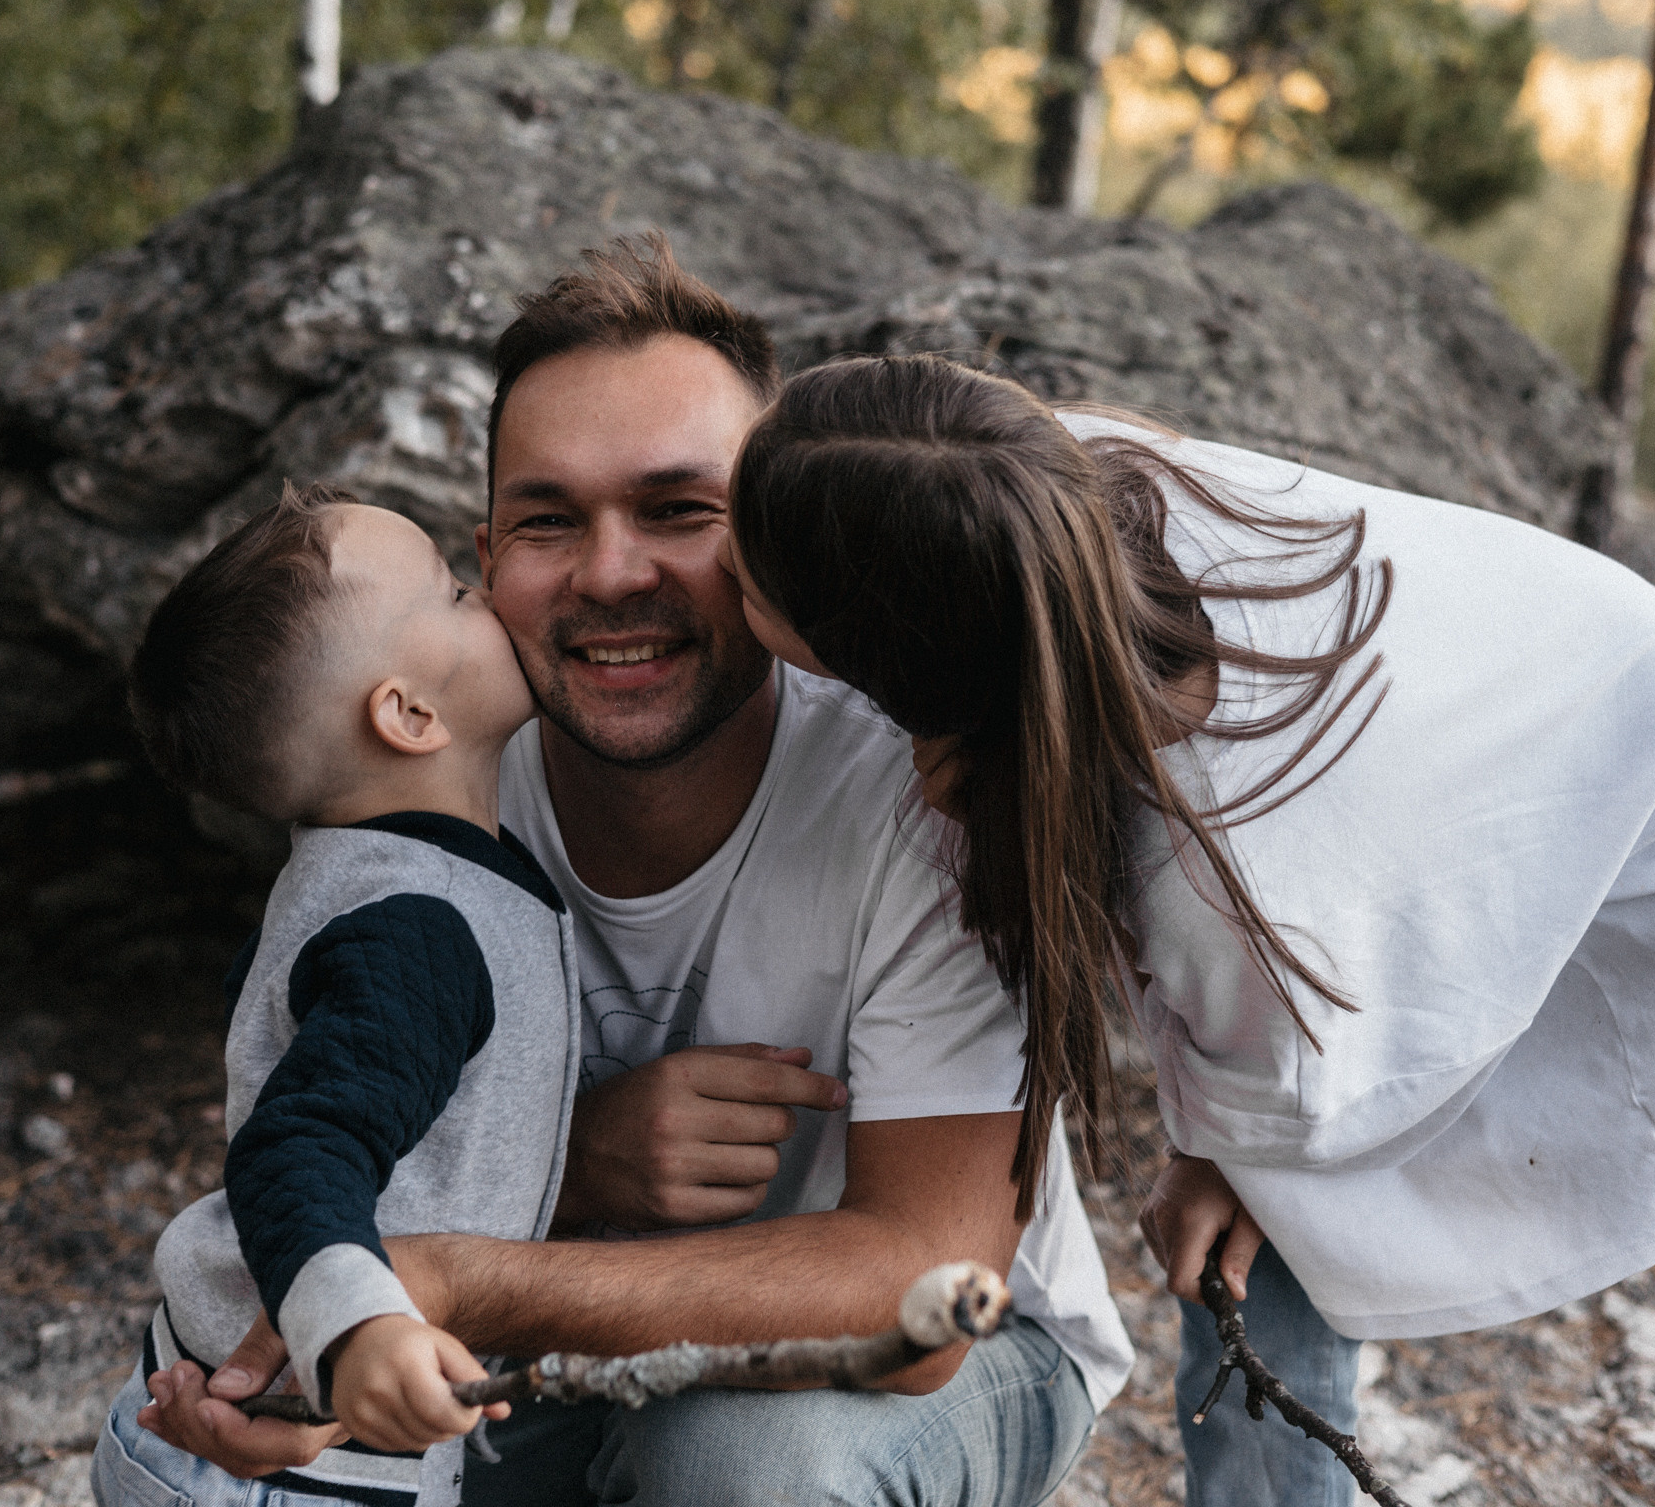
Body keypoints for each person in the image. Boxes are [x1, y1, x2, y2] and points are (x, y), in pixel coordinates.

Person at [722, 353, 1655, 1507]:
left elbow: (1302, 1092)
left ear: (886, 662)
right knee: (1259, 1272)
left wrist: (1225, 1145)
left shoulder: (1217, 849)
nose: (715, 572)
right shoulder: (1019, 509)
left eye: (749, 575)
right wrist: (1240, 1142)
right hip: (1478, 841)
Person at [136, 239, 1132, 1506]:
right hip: (551, 1360)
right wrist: (570, 1158)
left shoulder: (920, 792)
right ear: (487, 559)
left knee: (737, 1470)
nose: (611, 575)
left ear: (772, 538)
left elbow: (917, 1288)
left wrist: (454, 1276)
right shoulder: (420, 813)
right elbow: (313, 1141)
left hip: (937, 1353)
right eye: (550, 520)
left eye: (678, 510)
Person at [96, 486, 576, 1507]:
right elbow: (298, 1143)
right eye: (453, 591)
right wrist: (361, 1328)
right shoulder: (416, 921)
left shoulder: (353, 873)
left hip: (230, 1423)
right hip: (295, 1463)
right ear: (408, 713)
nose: (486, 591)